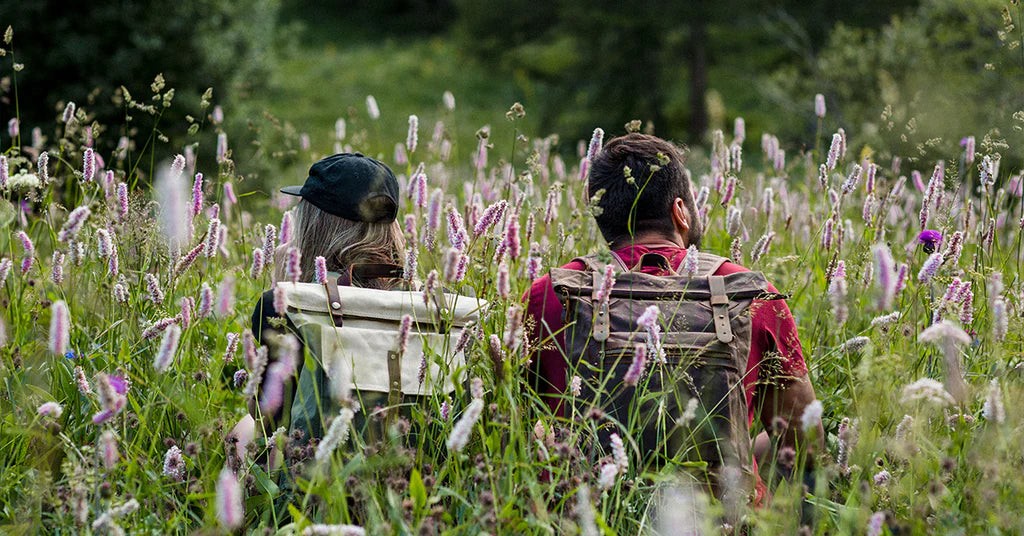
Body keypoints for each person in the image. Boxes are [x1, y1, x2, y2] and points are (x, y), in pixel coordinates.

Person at [524, 133, 822, 504]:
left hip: (589, 520)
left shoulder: (550, 293)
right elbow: (806, 442)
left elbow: (510, 430)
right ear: (680, 211)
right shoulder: (749, 293)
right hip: (721, 522)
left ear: (603, 216)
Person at [248, 152, 406, 440]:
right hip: (411, 463)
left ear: (314, 226)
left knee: (239, 436)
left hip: (312, 469)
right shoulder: (426, 308)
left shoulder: (286, 306)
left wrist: (283, 292)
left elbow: (267, 417)